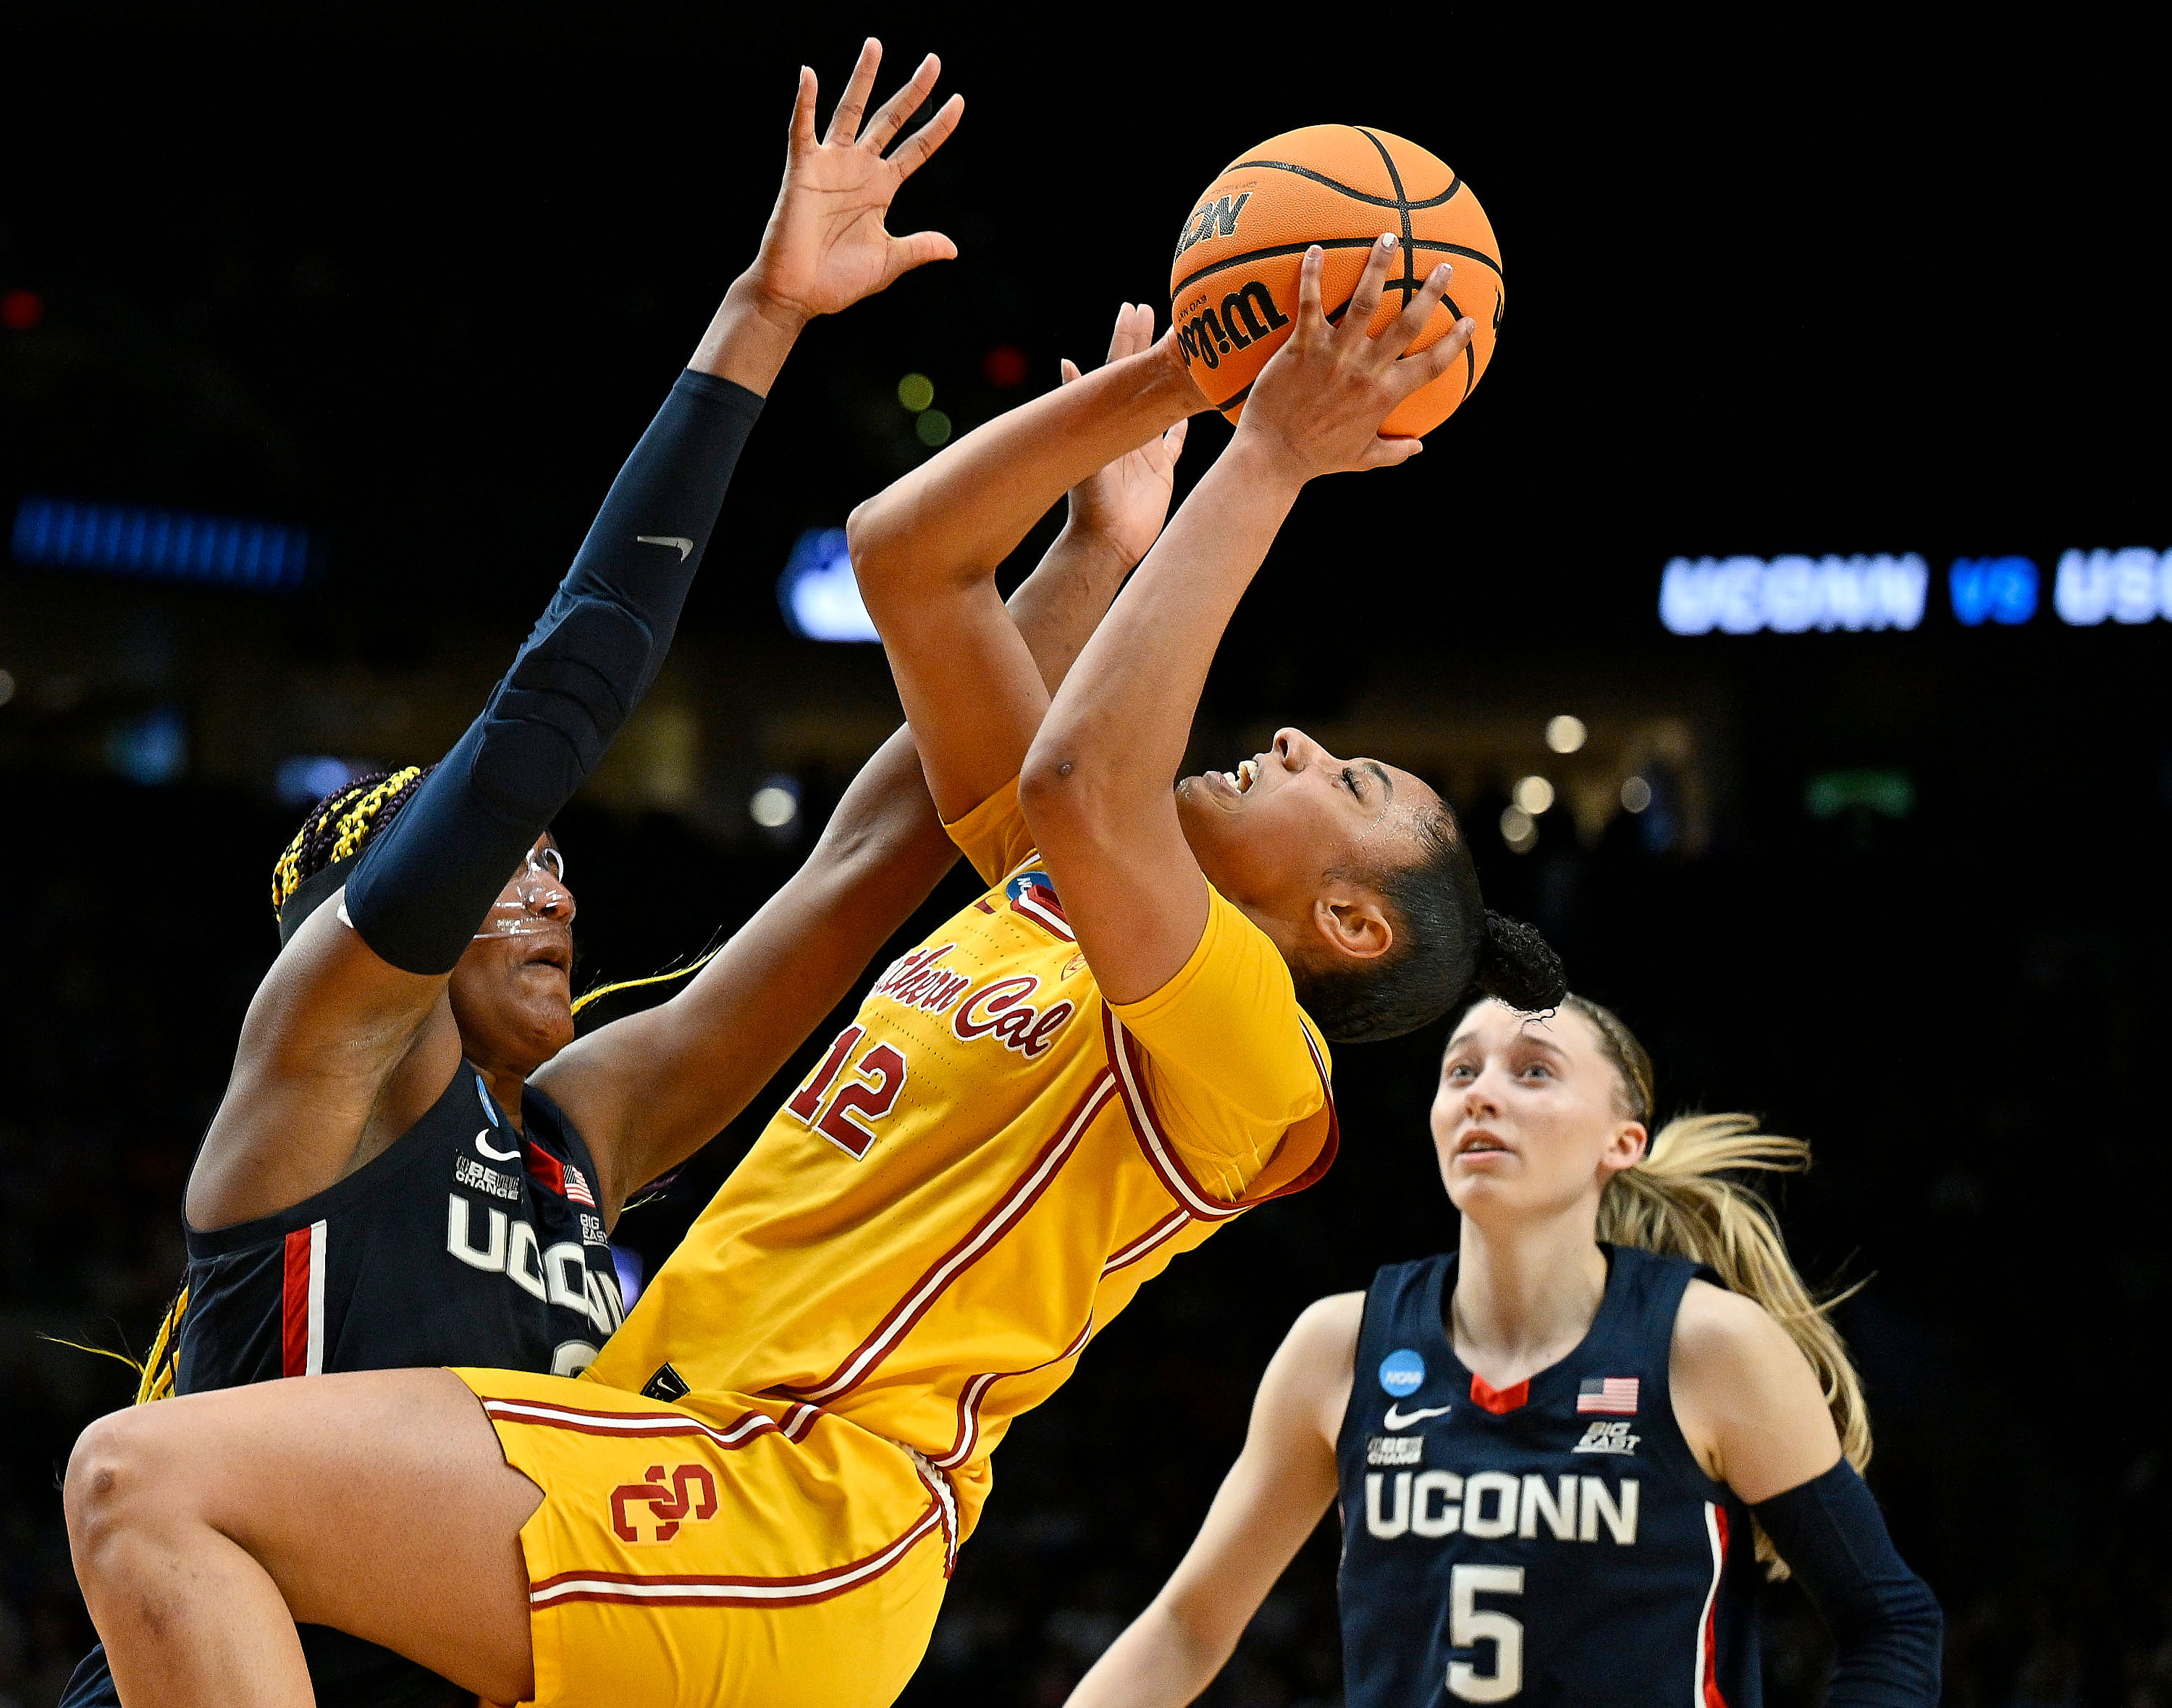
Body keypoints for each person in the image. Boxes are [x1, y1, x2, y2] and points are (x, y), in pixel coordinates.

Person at [62, 238, 1565, 1708]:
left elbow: (1071, 783)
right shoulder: (1040, 904)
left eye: (1351, 780)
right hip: (672, 1479)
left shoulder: (1256, 1054)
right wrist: (1172, 408)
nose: (1297, 739)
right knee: (149, 1484)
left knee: (142, 1479)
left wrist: (1259, 459)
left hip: (796, 1507)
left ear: (1354, 927)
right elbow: (908, 560)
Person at [56, 40, 976, 1708]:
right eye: (507, 866)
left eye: (559, 866)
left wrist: (1116, 552)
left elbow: (870, 856)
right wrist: (761, 315)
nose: (554, 892)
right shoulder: (328, 1049)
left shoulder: (568, 1140)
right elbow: (571, 679)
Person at [1064, 993, 1945, 1708]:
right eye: (1461, 1071)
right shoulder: (1339, 1348)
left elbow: (1891, 1618)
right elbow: (1189, 1628)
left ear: (1621, 1142)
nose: (1483, 1093)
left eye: (1533, 1072)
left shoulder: (1707, 1348)